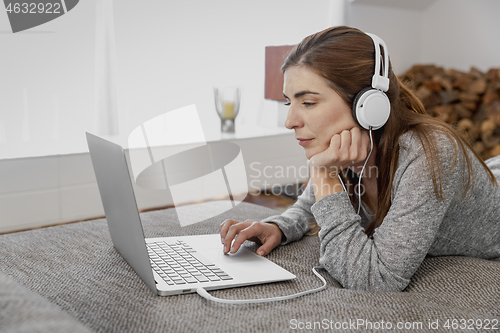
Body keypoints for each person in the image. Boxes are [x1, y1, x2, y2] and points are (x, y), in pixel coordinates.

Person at [219, 26, 500, 292]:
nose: (290, 121)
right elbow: (308, 206)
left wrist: (326, 177)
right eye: (288, 103)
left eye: (308, 103)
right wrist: (278, 227)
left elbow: (377, 279)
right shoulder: (348, 149)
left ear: (368, 105)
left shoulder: (428, 153)